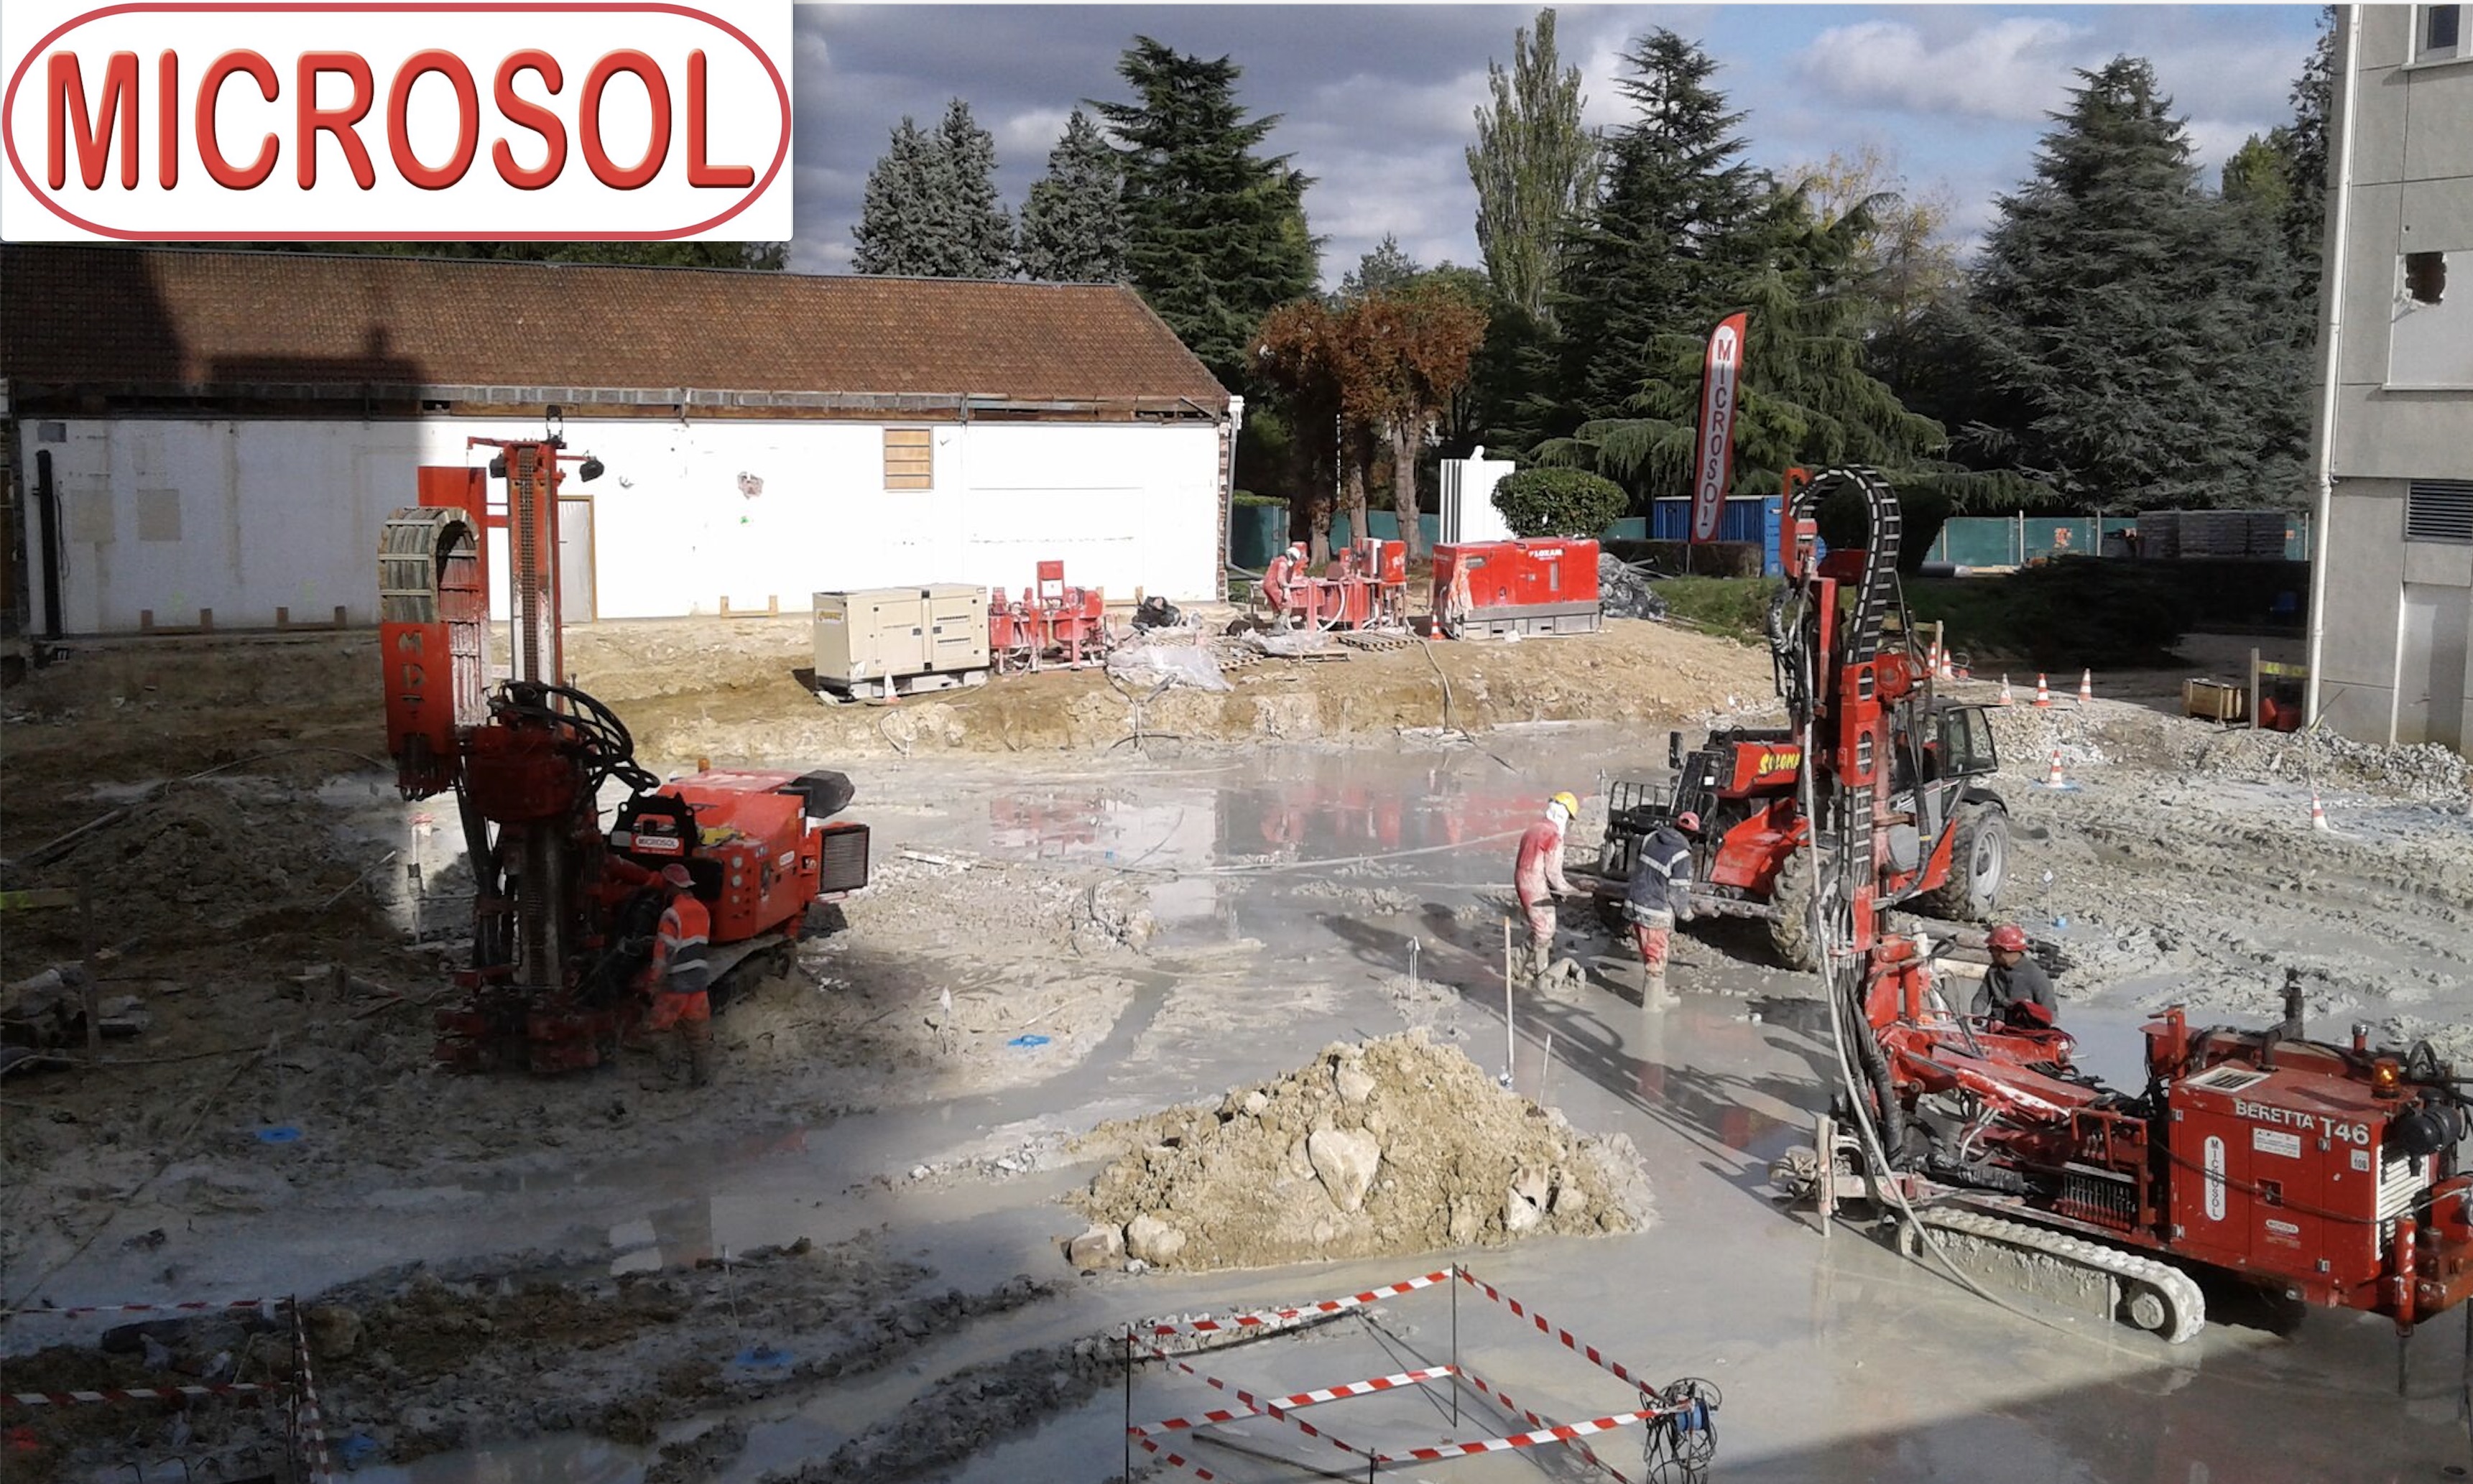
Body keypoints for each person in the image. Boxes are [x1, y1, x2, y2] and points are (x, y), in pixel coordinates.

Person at [644, 863, 718, 1086]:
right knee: (698, 1036)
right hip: (698, 983)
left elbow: (663, 953)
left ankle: (670, 1075)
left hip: (675, 985)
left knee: (657, 1030)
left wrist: (653, 983)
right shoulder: (702, 910)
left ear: (672, 886)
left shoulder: (672, 914)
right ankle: (700, 1078)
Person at [1624, 812, 1698, 1010]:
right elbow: (1677, 892)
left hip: (1635, 902)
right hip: (1654, 910)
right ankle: (1650, 1005)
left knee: (1653, 952)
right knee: (1655, 959)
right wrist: (1686, 914)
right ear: (1693, 835)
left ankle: (1661, 996)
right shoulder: (1682, 855)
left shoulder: (1651, 837)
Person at [1512, 792, 1580, 986]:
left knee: (1545, 926)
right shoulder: (1553, 836)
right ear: (1564, 815)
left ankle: (1541, 970)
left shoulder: (1533, 828)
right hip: (1534, 882)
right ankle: (1516, 966)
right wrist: (1571, 892)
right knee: (1543, 929)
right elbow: (1554, 874)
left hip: (1523, 878)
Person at [1974, 924, 2058, 1029]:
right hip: (1996, 1028)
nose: (1991, 954)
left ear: (2002, 951)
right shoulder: (1994, 971)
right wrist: (1977, 1016)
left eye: (1992, 950)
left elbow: (2050, 1014)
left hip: (2023, 1033)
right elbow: (1982, 998)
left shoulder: (2035, 976)